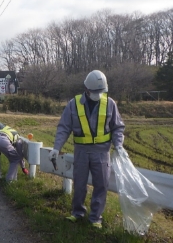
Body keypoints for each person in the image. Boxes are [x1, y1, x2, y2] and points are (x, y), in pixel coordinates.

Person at [48, 70, 125, 229]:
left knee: (101, 185)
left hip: (102, 152)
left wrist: (119, 145)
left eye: (100, 91)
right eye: (95, 91)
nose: (98, 94)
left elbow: (117, 127)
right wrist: (57, 148)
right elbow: (64, 127)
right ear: (86, 88)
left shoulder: (110, 103)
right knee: (80, 184)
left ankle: (95, 218)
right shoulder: (73, 104)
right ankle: (77, 213)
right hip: (81, 151)